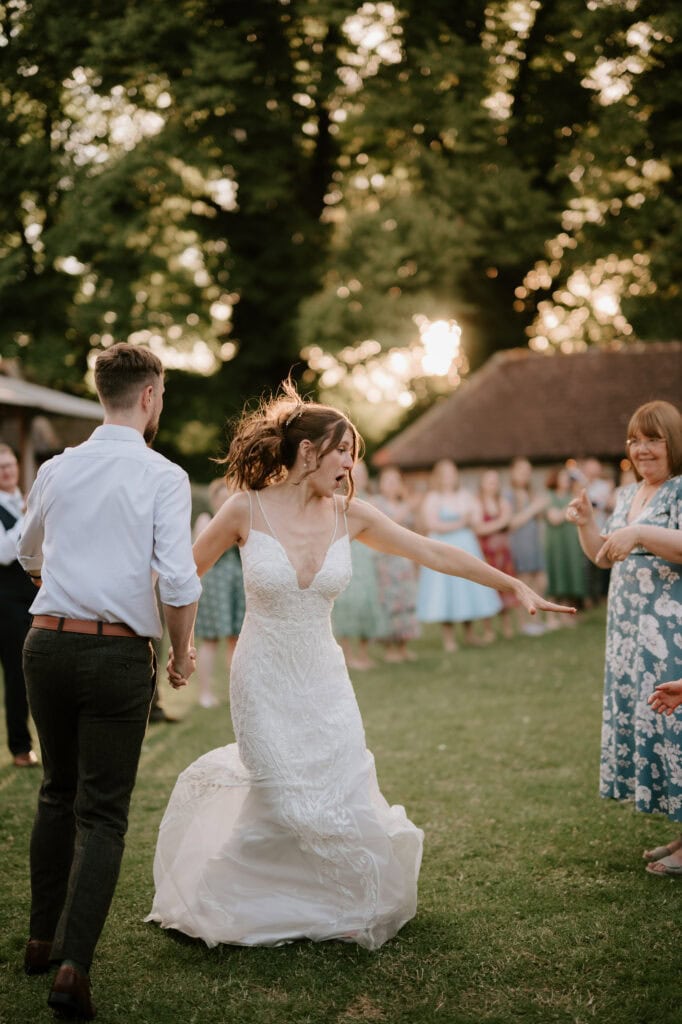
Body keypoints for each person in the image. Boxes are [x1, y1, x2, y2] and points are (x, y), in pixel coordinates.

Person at [145, 383, 574, 951]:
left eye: (353, 452)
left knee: (336, 786)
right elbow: (184, 576)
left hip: (324, 676)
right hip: (262, 674)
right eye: (343, 451)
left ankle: (334, 902)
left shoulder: (352, 516)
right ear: (307, 451)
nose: (350, 464)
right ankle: (235, 901)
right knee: (277, 793)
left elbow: (433, 551)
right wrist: (180, 648)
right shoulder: (244, 508)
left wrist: (511, 584)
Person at [18, 343, 201, 1020]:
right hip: (118, 654)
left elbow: (26, 551)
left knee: (55, 792)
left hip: (46, 644)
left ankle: (40, 939)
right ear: (150, 396)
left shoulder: (56, 468)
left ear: (103, 394)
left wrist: (61, 588)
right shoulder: (163, 475)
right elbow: (178, 581)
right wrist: (180, 653)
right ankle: (73, 966)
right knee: (103, 813)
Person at [566, 399, 682, 878]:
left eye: (653, 439)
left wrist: (640, 532)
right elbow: (604, 555)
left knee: (677, 729)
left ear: (673, 442)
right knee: (657, 728)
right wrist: (587, 524)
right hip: (629, 635)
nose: (642, 449)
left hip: (671, 632)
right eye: (635, 440)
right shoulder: (628, 492)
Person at [416, 459, 501, 651]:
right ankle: (449, 639)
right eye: (445, 473)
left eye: (452, 473)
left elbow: (475, 518)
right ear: (438, 477)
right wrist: (460, 522)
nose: (449, 477)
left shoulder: (465, 495)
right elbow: (431, 524)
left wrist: (472, 517)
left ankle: (470, 634)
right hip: (443, 548)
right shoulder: (433, 497)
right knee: (446, 590)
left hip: (466, 546)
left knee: (467, 588)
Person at [0, 443, 39, 767]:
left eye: (10, 464)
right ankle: (20, 747)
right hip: (7, 603)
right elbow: (3, 552)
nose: (7, 471)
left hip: (37, 599)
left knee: (40, 670)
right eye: (1, 467)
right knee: (16, 673)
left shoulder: (26, 501)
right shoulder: (19, 510)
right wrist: (27, 515)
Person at [193, 479, 246, 707]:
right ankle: (204, 692)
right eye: (222, 498)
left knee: (237, 640)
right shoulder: (206, 519)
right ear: (214, 500)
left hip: (237, 585)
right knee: (211, 639)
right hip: (215, 586)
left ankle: (237, 693)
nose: (226, 502)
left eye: (229, 498)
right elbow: (203, 547)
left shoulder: (240, 520)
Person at [331, 460, 387, 669]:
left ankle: (363, 654)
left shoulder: (371, 502)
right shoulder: (338, 502)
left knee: (367, 602)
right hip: (346, 554)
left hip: (367, 558)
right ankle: (347, 655)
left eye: (363, 473)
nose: (359, 477)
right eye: (355, 473)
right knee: (346, 603)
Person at [371, 466, 420, 663]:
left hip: (405, 561)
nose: (392, 485)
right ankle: (389, 649)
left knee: (406, 601)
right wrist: (408, 506)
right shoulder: (376, 503)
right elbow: (387, 527)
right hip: (386, 561)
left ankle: (403, 646)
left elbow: (415, 530)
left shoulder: (403, 504)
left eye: (395, 480)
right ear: (381, 484)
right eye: (388, 480)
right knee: (389, 603)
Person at [473, 469, 518, 642]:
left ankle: (507, 626)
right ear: (482, 484)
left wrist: (498, 524)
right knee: (488, 588)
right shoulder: (477, 503)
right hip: (485, 553)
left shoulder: (503, 502)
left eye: (496, 481)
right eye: (490, 481)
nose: (493, 484)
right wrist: (500, 522)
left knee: (505, 586)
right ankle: (488, 629)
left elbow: (509, 524)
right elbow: (479, 529)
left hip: (503, 553)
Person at [507, 456, 549, 636]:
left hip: (534, 542)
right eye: (521, 471)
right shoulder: (508, 495)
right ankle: (523, 623)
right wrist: (534, 508)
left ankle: (536, 620)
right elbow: (511, 523)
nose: (525, 474)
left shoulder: (531, 494)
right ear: (513, 472)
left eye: (528, 471)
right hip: (519, 542)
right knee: (523, 582)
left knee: (540, 581)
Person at [543, 467, 587, 622]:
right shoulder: (549, 497)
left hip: (570, 543)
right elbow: (554, 518)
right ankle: (551, 616)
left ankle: (565, 614)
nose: (566, 480)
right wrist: (569, 508)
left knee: (569, 576)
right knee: (556, 575)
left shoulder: (571, 497)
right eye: (563, 477)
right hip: (556, 544)